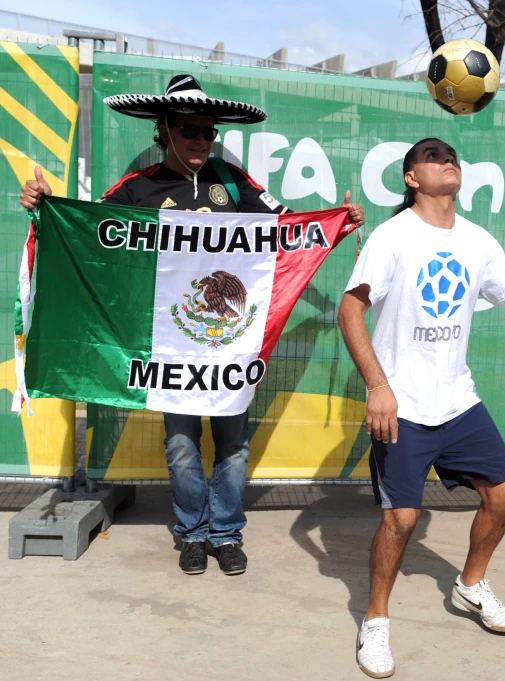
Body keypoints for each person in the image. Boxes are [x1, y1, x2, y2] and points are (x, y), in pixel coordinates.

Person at [20, 74, 365, 577]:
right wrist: (45, 207)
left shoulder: (234, 182)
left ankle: (226, 534)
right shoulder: (137, 188)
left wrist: (337, 222)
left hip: (231, 347)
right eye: (190, 131)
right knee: (182, 448)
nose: (202, 140)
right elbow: (89, 232)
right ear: (164, 131)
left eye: (209, 131)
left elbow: (289, 230)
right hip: (171, 349)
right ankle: (193, 534)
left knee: (234, 446)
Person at [338, 138, 505, 678]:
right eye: (432, 156)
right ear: (411, 178)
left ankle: (471, 585)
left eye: (452, 157)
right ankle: (376, 620)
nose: (447, 162)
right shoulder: (393, 236)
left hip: (458, 400)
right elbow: (350, 311)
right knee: (402, 519)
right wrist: (377, 386)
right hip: (402, 403)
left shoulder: (477, 240)